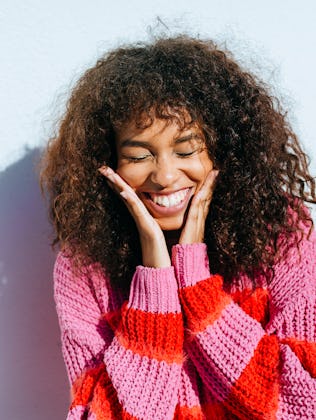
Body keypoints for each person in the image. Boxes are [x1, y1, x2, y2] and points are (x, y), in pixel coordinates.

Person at [40, 35, 316, 419]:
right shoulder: (84, 267)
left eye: (186, 150)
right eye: (138, 156)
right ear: (107, 162)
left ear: (224, 148)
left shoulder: (283, 236)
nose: (166, 176)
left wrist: (197, 287)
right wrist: (155, 280)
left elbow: (302, 405)